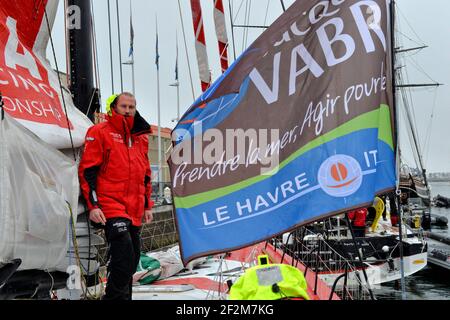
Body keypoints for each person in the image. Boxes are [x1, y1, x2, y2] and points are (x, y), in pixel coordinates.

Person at [79, 92, 154, 300]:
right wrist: (93, 205)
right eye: (124, 106)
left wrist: (148, 205)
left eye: (132, 106)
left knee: (133, 258)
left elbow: (145, 174)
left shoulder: (141, 137)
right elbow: (88, 171)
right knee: (124, 256)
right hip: (111, 204)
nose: (128, 110)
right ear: (114, 108)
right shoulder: (99, 131)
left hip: (135, 207)